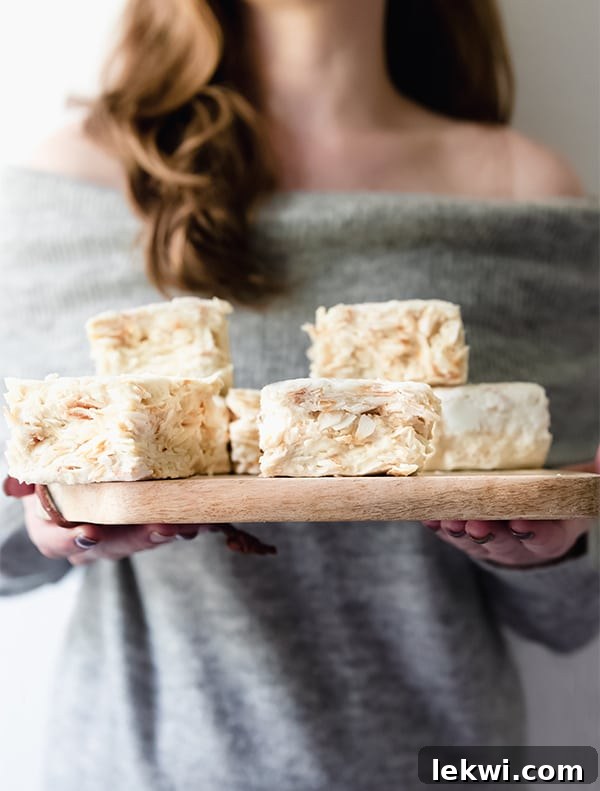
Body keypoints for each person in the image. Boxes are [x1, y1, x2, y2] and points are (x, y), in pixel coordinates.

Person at [1, 1, 598, 789]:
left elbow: (571, 613)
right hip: (134, 767)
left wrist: (554, 549)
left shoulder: (528, 192)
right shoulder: (62, 187)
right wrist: (52, 520)